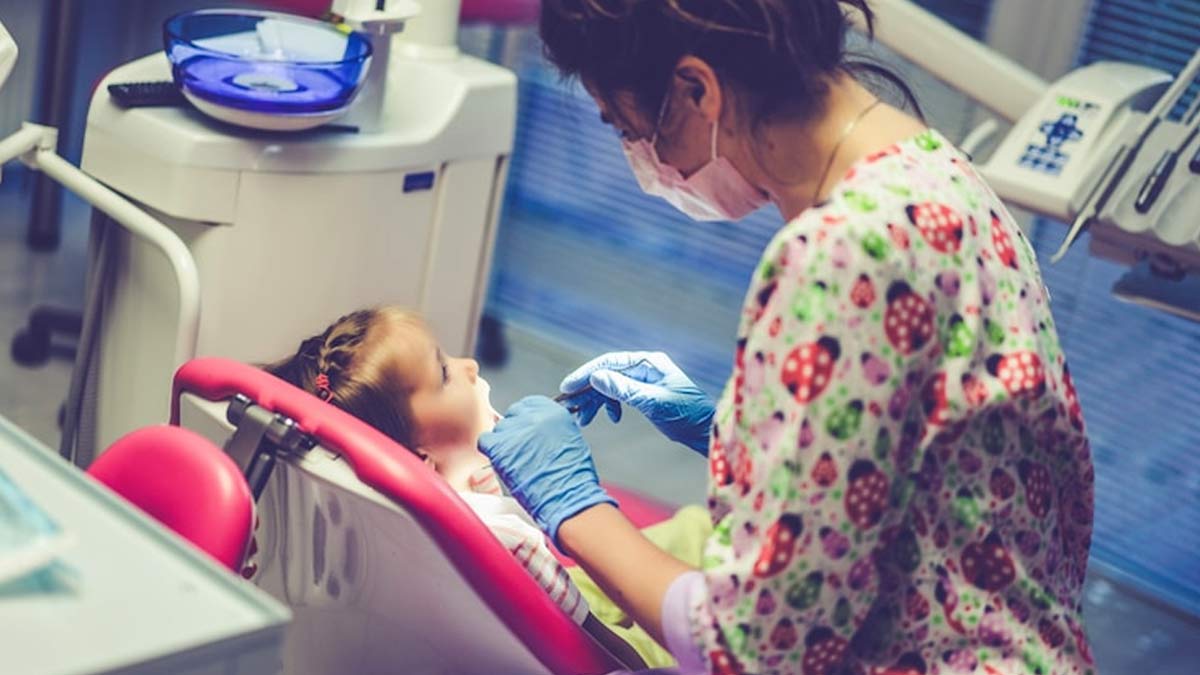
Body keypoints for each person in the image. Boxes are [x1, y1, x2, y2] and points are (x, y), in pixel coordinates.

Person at [477, 2, 1096, 674]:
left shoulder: (843, 253)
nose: (645, 161)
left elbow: (750, 647)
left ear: (697, 89)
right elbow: (917, 467)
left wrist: (574, 507)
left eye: (631, 128)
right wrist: (742, 433)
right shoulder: (932, 170)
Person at [263, 306, 704, 669]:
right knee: (698, 528)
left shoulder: (378, 527)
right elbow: (602, 653)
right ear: (420, 459)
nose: (469, 365)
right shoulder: (507, 540)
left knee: (695, 530)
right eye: (443, 372)